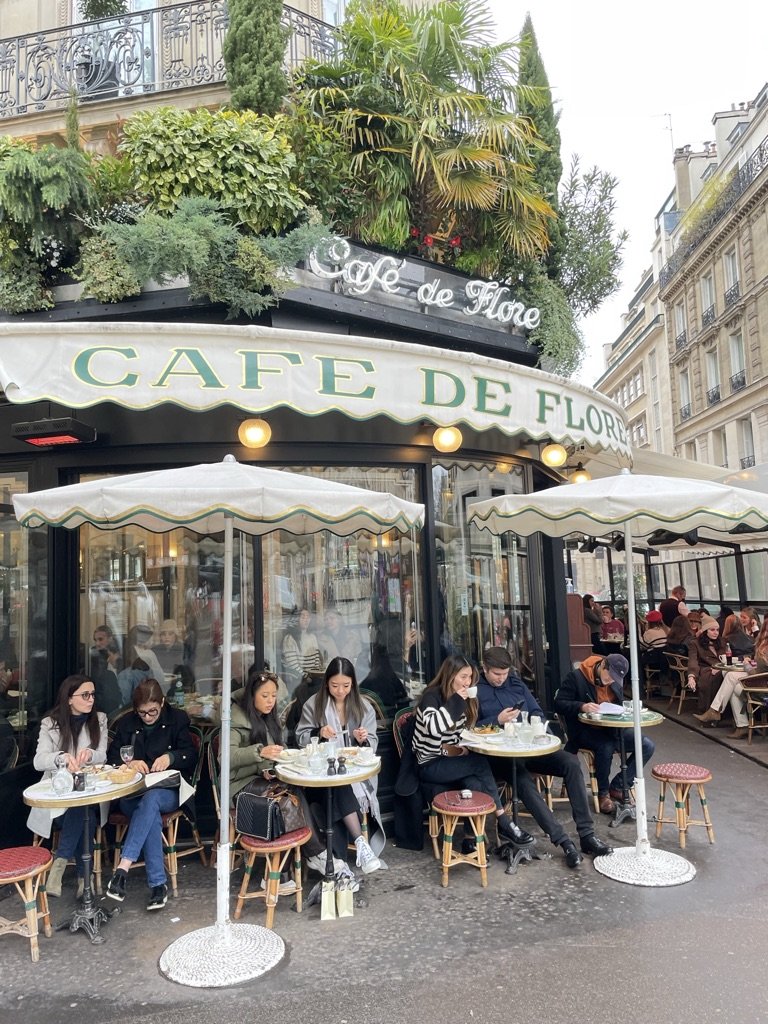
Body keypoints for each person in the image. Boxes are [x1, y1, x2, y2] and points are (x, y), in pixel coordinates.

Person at [477, 647, 612, 867]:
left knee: (570, 762)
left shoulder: (516, 684)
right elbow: (471, 728)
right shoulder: (476, 690)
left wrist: (533, 725)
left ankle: (587, 835)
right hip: (499, 756)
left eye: (505, 673)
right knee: (523, 781)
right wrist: (497, 720)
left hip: (529, 747)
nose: (501, 678)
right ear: (485, 668)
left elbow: (537, 712)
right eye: (496, 674)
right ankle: (564, 842)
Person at [412, 653, 535, 850]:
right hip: (429, 764)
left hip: (448, 761)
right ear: (450, 675)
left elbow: (457, 735)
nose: (467, 682)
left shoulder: (460, 699)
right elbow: (434, 729)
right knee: (479, 763)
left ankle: (470, 840)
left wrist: (461, 748)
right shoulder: (432, 697)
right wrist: (457, 702)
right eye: (463, 676)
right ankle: (504, 822)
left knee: (474, 782)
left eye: (470, 677)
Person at [105, 679, 197, 911]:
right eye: (142, 713)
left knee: (152, 800)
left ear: (162, 702)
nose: (147, 717)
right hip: (133, 794)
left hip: (168, 791)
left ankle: (122, 870)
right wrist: (131, 763)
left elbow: (191, 754)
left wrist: (170, 757)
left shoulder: (177, 719)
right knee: (149, 811)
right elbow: (112, 759)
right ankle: (158, 885)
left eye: (153, 711)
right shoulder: (127, 723)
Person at [229, 669, 324, 887]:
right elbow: (227, 757)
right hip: (239, 786)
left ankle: (283, 872)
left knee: (294, 792)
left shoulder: (267, 717)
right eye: (265, 696)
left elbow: (275, 751)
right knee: (286, 799)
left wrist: (271, 763)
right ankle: (311, 856)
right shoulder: (236, 718)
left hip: (262, 780)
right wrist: (259, 752)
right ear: (252, 695)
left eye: (273, 695)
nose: (271, 701)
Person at [296, 657, 384, 874]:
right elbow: (300, 738)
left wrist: (362, 739)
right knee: (335, 784)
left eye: (346, 685)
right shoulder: (313, 704)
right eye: (335, 685)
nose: (341, 691)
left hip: (353, 775)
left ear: (353, 683)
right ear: (327, 683)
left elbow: (372, 744)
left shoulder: (362, 706)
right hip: (319, 776)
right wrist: (319, 733)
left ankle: (340, 865)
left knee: (336, 787)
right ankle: (360, 842)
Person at [31, 674, 108, 898]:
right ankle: (85, 879)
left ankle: (59, 865)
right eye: (85, 695)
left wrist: (90, 754)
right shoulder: (50, 723)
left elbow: (102, 755)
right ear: (69, 699)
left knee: (82, 809)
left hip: (91, 791)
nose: (91, 699)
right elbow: (38, 761)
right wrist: (61, 758)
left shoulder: (99, 719)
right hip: (58, 797)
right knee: (84, 816)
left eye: (92, 694)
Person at [555, 653, 655, 816]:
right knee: (606, 746)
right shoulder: (577, 678)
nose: (610, 682)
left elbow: (618, 705)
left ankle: (619, 785)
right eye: (609, 677)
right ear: (602, 666)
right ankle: (603, 794)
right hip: (584, 730)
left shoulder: (614, 682)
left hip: (612, 729)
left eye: (614, 679)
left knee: (646, 745)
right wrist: (581, 706)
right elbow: (559, 704)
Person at [695, 617, 768, 738]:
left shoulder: (764, 648)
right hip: (760, 680)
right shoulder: (762, 646)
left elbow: (756, 672)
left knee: (733, 685)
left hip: (762, 687)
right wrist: (750, 663)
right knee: (730, 676)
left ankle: (739, 724)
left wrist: (747, 665)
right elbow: (761, 668)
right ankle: (716, 711)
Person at [117, 625, 166, 703]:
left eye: (147, 648)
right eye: (141, 647)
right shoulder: (126, 674)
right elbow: (124, 702)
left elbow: (160, 681)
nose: (147, 652)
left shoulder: (148, 663)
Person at [281, 608, 323, 694]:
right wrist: (307, 677)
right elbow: (293, 664)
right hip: (298, 679)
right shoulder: (289, 638)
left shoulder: (312, 637)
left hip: (312, 677)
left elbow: (316, 659)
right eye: (303, 617)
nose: (306, 620)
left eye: (308, 617)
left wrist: (317, 675)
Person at [693, 614, 726, 712]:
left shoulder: (722, 642)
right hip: (706, 669)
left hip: (722, 668)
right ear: (705, 631)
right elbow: (693, 660)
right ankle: (711, 710)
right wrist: (691, 676)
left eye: (717, 630)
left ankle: (718, 710)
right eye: (712, 630)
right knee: (712, 677)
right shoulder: (696, 643)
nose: (716, 633)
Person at [88, 624, 123, 716]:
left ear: (110, 639)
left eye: (100, 639)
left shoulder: (121, 654)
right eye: (95, 640)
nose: (97, 644)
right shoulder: (93, 657)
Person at [361, 643, 409, 711]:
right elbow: (403, 697)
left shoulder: (369, 680)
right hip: (390, 712)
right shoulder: (391, 676)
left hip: (381, 712)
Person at [664, 614, 699, 696]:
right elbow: (695, 655)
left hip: (675, 670)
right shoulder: (690, 639)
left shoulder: (670, 638)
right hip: (688, 669)